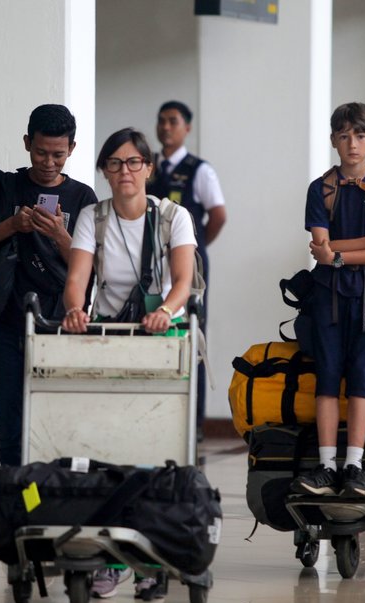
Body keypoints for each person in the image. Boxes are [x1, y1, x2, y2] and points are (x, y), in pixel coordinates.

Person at [62, 127, 196, 600]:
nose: (125, 171)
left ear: (149, 168)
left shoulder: (173, 217)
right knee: (108, 451)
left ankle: (149, 563)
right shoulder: (92, 218)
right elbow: (78, 276)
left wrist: (166, 312)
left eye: (134, 162)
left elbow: (183, 279)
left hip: (162, 343)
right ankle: (113, 560)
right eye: (115, 163)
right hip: (110, 341)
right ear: (103, 171)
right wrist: (75, 310)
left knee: (153, 452)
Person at [0, 105, 97, 467]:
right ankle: (22, 507)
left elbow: (94, 267)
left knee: (59, 428)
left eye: (58, 155)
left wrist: (61, 235)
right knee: (12, 432)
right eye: (40, 152)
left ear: (72, 149)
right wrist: (12, 225)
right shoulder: (2, 187)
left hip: (61, 327)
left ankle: (53, 506)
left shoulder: (83, 199)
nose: (49, 162)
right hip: (6, 326)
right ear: (26, 143)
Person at [289, 103, 365, 498]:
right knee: (327, 376)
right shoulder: (320, 188)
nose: (352, 144)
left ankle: (353, 466)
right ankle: (325, 466)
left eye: (360, 135)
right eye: (344, 136)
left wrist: (339, 253)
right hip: (328, 295)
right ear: (334, 140)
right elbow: (320, 250)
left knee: (362, 378)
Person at [146, 101, 226, 438]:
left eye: (173, 121)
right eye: (161, 121)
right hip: (149, 265)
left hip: (186, 266)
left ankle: (192, 424)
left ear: (187, 128)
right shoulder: (147, 166)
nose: (166, 127)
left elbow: (218, 215)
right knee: (151, 332)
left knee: (190, 336)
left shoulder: (199, 170)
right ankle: (155, 415)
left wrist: (193, 247)